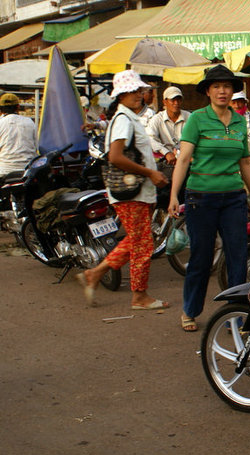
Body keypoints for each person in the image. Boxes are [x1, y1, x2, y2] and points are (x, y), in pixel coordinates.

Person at [167, 64, 250, 332]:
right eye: (217, 86)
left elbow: (244, 162)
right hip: (201, 198)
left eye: (227, 86)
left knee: (238, 258)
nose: (222, 91)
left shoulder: (240, 120)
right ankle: (190, 310)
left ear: (233, 91)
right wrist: (174, 195)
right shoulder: (197, 119)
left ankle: (236, 316)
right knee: (201, 257)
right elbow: (183, 159)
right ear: (208, 91)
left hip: (233, 198)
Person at [76, 70, 170, 309]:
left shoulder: (128, 118)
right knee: (142, 244)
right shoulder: (123, 120)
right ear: (121, 95)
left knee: (137, 240)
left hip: (138, 191)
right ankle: (139, 295)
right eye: (132, 91)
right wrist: (150, 172)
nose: (138, 95)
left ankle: (95, 274)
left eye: (139, 91)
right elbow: (116, 157)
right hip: (132, 193)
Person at [147, 86, 191, 166]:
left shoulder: (189, 117)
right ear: (165, 102)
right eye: (173, 100)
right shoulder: (157, 119)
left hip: (187, 159)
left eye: (179, 99)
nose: (176, 103)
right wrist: (166, 152)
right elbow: (150, 139)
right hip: (166, 161)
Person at [0, 93, 37, 177]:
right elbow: (36, 146)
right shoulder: (29, 122)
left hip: (4, 171)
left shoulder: (1, 123)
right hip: (26, 170)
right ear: (18, 107)